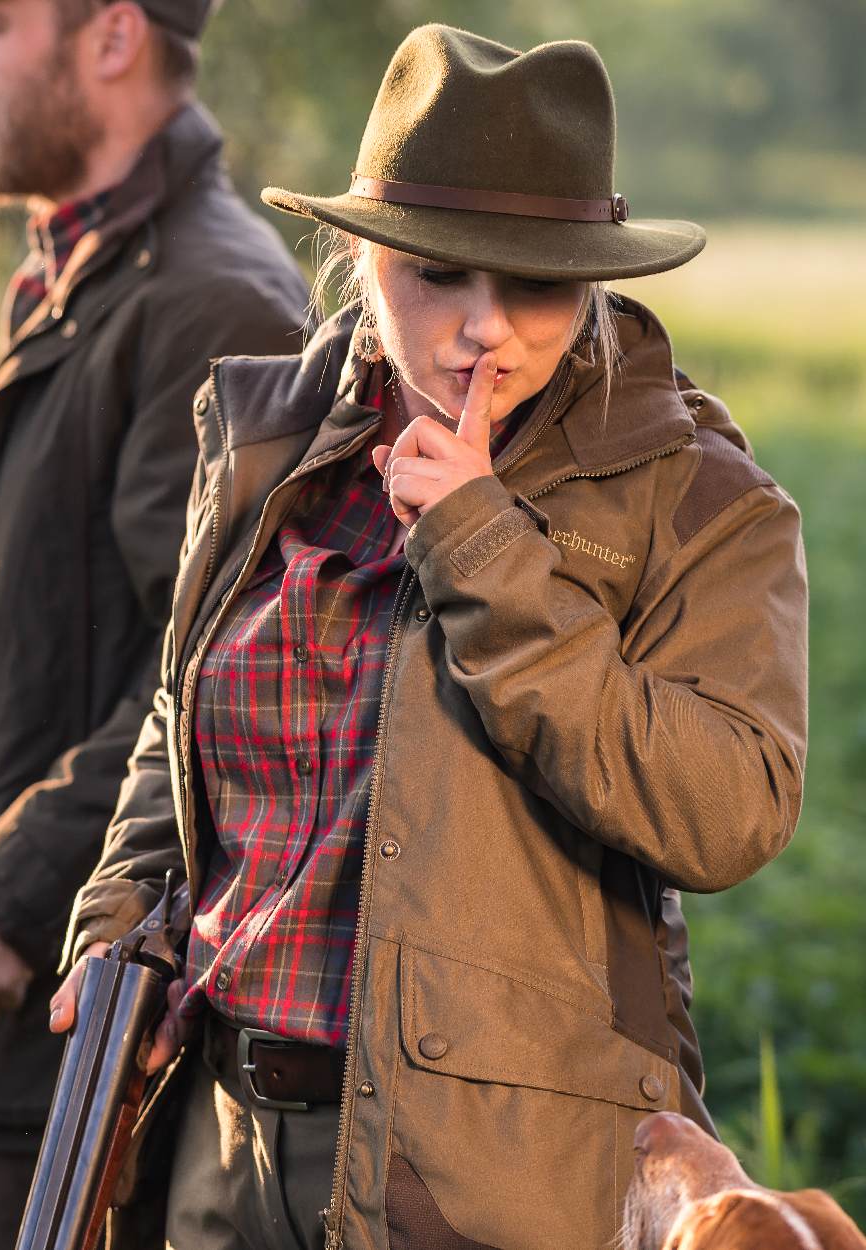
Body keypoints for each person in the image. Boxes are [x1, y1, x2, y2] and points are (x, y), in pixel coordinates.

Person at [52, 25, 808, 1250]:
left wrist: (484, 548)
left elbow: (729, 808)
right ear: (360, 249)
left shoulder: (698, 499)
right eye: (437, 275)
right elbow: (178, 719)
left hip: (498, 1184)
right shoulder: (264, 436)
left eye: (535, 283)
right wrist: (119, 913)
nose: (483, 330)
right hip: (224, 1144)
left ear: (599, 274)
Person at [0, 0, 307, 1243]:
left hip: (96, 1023)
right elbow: (17, 616)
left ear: (111, 37)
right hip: (16, 1009)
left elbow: (213, 668)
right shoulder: (82, 272)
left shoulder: (217, 303)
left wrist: (8, 899)